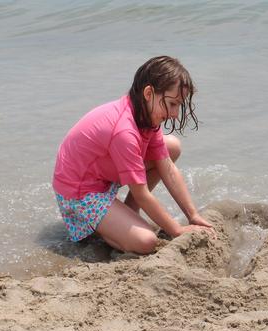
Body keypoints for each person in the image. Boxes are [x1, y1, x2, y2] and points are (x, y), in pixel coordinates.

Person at [53, 56, 213, 254]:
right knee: (145, 241)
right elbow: (142, 194)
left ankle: (128, 211)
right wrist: (178, 230)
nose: (175, 114)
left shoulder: (146, 116)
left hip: (102, 173)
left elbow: (168, 168)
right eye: (172, 104)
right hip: (79, 192)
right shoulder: (124, 131)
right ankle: (101, 228)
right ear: (148, 93)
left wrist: (193, 215)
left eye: (179, 106)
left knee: (171, 147)